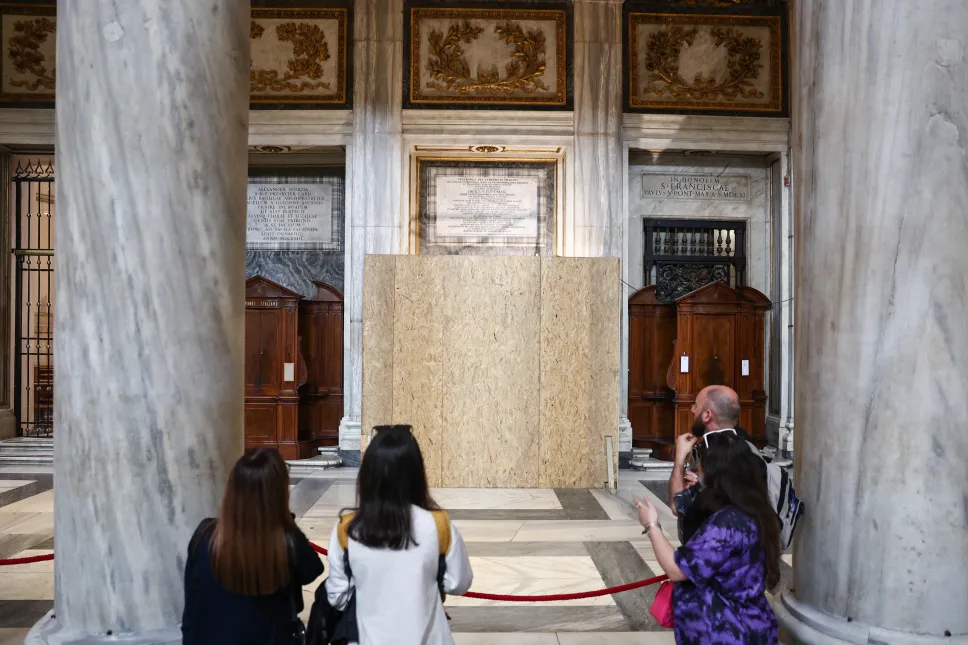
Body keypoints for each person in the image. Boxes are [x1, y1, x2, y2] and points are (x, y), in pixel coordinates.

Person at [324, 425, 473, 645]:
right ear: (416, 474)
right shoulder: (437, 524)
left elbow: (337, 597)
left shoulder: (348, 529)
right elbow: (459, 583)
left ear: (367, 474)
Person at [635, 431, 781, 644]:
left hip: (727, 631)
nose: (699, 469)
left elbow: (678, 570)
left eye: (701, 464)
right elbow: (683, 508)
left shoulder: (729, 522)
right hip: (746, 621)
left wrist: (651, 524)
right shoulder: (753, 508)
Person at [182, 448, 324, 645]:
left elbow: (191, 611)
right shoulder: (287, 540)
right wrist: (286, 523)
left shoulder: (205, 535)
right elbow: (314, 570)